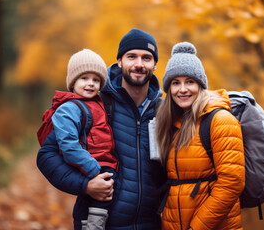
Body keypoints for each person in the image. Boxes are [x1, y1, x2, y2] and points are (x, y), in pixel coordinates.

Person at [37, 28, 165, 230]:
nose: (139, 64)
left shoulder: (164, 109)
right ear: (120, 61)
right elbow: (46, 156)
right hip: (100, 223)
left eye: (146, 58)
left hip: (154, 224)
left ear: (155, 64)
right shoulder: (94, 104)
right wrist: (85, 185)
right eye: (132, 56)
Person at [155, 42, 245, 230]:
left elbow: (232, 183)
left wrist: (196, 228)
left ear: (200, 85)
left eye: (190, 81)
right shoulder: (172, 123)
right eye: (175, 83)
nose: (182, 89)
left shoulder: (219, 120)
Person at [41, 49, 118, 230]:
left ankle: (88, 224)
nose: (90, 84)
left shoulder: (98, 103)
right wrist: (94, 170)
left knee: (91, 204)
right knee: (99, 198)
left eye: (96, 79)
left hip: (103, 163)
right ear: (73, 82)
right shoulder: (70, 108)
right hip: (93, 166)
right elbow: (68, 145)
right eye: (84, 78)